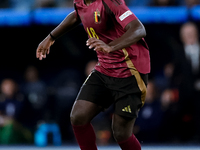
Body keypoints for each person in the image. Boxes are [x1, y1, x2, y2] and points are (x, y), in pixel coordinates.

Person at [36, 0, 150, 149]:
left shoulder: (110, 2)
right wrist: (51, 37)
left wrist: (111, 46)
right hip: (105, 68)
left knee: (121, 132)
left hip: (130, 71)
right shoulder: (80, 1)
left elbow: (138, 29)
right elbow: (77, 15)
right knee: (78, 116)